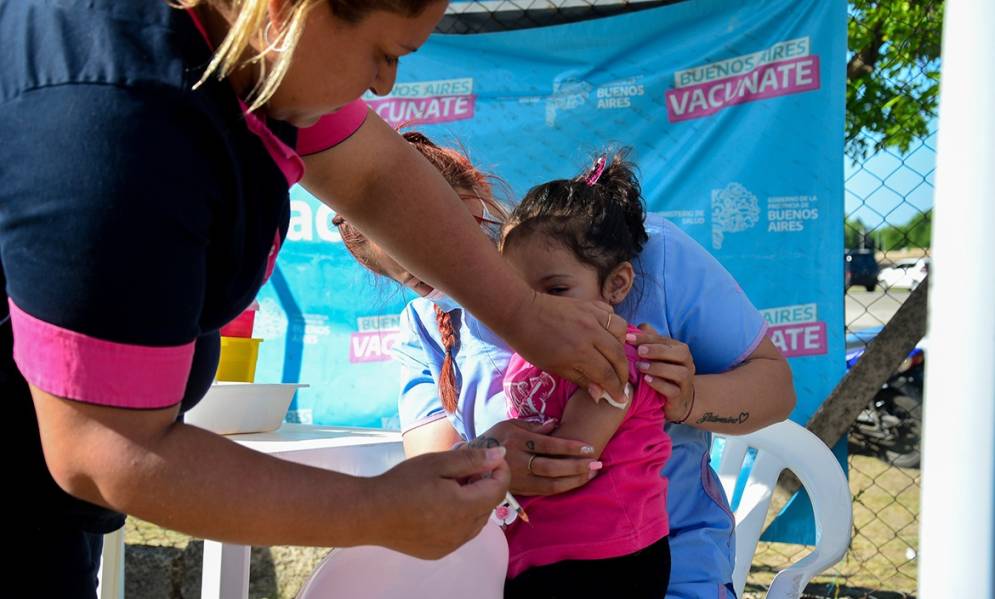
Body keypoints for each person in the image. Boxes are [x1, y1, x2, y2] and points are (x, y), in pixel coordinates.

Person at [0, 1, 634, 594]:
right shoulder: (117, 124)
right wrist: (375, 510)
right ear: (288, 10)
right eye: (384, 52)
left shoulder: (248, 51)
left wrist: (521, 312)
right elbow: (102, 447)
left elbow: (376, 173)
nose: (385, 85)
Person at [338, 131, 796, 599]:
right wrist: (485, 463)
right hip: (519, 571)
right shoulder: (427, 328)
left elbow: (775, 389)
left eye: (458, 237)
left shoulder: (641, 253)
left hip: (666, 569)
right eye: (420, 276)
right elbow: (435, 471)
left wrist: (689, 398)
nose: (454, 272)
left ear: (479, 194)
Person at [499, 153, 672, 598]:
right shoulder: (528, 350)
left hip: (606, 558)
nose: (538, 309)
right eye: (520, 294)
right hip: (540, 551)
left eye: (556, 290)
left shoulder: (614, 354)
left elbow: (572, 454)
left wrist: (492, 462)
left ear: (616, 285)